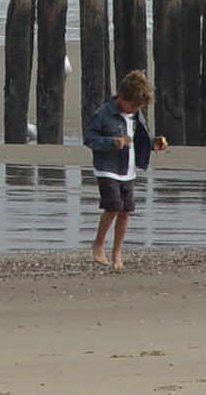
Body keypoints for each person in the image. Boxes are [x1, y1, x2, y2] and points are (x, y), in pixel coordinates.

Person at [83, 70, 167, 270]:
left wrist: (154, 144)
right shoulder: (103, 114)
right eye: (132, 105)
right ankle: (98, 244)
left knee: (125, 211)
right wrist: (112, 143)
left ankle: (117, 252)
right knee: (112, 206)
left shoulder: (135, 115)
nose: (133, 110)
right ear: (121, 97)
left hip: (128, 169)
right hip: (107, 168)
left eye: (138, 107)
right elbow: (89, 139)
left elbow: (140, 138)